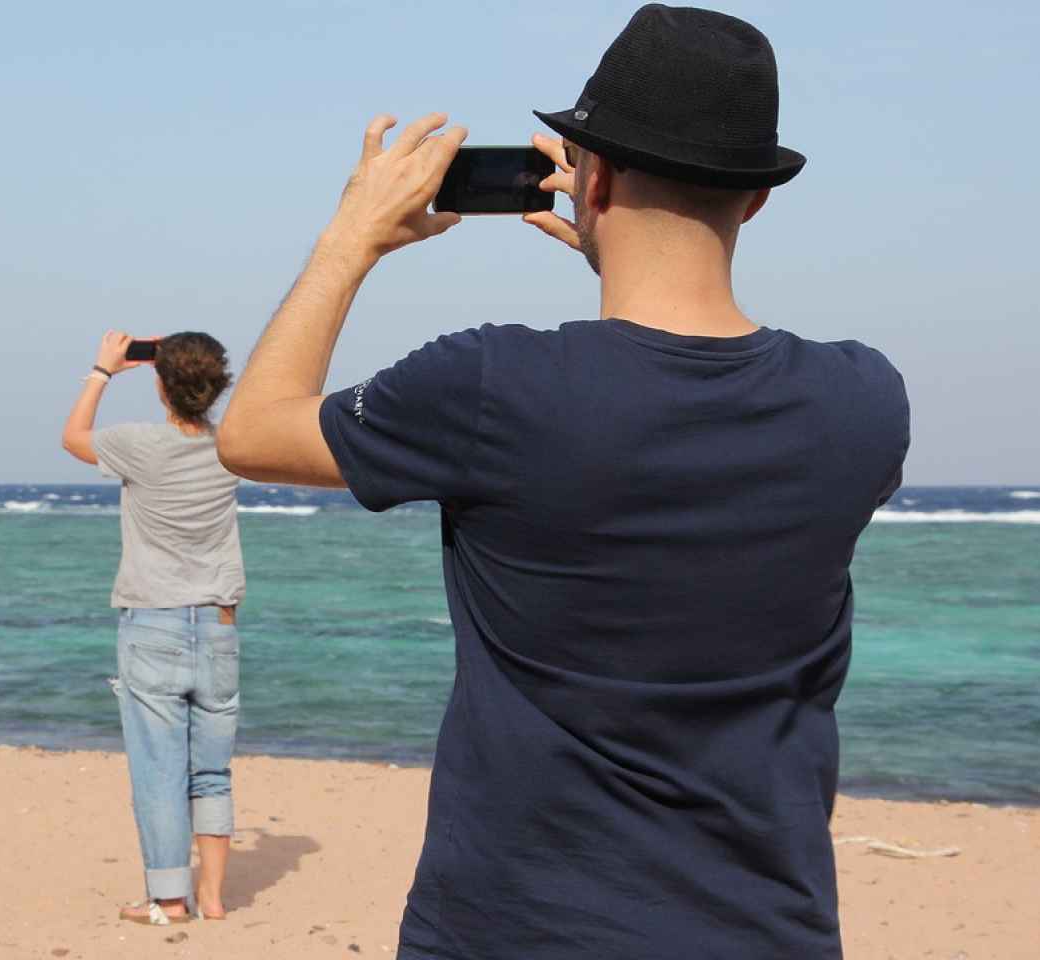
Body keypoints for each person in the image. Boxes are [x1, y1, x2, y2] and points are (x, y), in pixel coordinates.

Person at [216, 5, 908, 958]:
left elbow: (251, 434)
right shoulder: (862, 400)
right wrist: (619, 248)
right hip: (764, 930)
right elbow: (680, 407)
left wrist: (352, 237)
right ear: (754, 200)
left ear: (595, 179)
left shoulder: (493, 384)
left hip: (518, 930)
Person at [61, 329, 245, 926]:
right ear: (215, 386)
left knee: (159, 771)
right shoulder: (231, 447)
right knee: (210, 770)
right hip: (218, 626)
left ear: (162, 385)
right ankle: (213, 898)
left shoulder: (139, 444)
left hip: (156, 624)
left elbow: (73, 439)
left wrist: (102, 370)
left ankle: (170, 900)